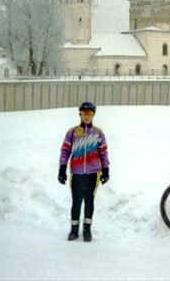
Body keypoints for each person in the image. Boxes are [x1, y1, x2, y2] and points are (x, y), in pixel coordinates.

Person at [58, 101, 110, 242]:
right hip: (76, 172)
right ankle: (74, 230)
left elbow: (103, 153)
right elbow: (65, 151)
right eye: (84, 113)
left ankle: (87, 230)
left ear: (93, 115)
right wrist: (62, 169)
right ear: (80, 114)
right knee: (76, 201)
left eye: (90, 114)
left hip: (93, 173)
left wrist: (106, 169)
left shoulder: (98, 133)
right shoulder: (72, 132)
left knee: (89, 201)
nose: (87, 116)